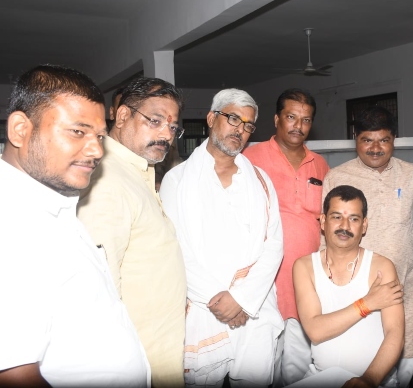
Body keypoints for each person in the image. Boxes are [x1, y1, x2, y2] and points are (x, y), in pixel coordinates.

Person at [0, 64, 149, 387]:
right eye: (77, 132)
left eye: (99, 136)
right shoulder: (11, 225)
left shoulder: (53, 205)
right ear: (20, 130)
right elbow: (15, 375)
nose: (96, 151)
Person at [160, 89, 284, 388]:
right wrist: (220, 301)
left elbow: (274, 245)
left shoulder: (261, 181)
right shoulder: (177, 180)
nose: (240, 130)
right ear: (211, 118)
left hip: (254, 308)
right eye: (233, 119)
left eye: (248, 125)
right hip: (204, 307)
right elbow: (176, 249)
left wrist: (242, 300)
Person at [77, 76, 187, 387]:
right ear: (123, 115)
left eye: (173, 127)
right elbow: (99, 289)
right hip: (136, 361)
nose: (166, 134)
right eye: (155, 121)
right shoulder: (107, 179)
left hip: (159, 351)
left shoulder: (136, 171)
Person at [321, 106, 413, 387]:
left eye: (384, 140)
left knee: (402, 370)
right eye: (367, 140)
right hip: (355, 297)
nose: (376, 148)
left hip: (404, 291)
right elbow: (326, 236)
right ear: (355, 139)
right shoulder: (337, 177)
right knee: (358, 368)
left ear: (394, 139)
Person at [243, 88, 329, 386]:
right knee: (261, 365)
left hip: (306, 279)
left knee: (299, 367)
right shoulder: (250, 159)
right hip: (264, 281)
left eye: (306, 120)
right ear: (277, 119)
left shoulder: (319, 164)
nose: (298, 126)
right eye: (291, 117)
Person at [293, 185, 404, 388]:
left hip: (376, 381)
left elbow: (395, 333)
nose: (344, 226)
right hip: (320, 377)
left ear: (364, 225)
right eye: (337, 217)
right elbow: (315, 331)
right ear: (323, 221)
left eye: (354, 219)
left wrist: (368, 380)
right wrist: (366, 304)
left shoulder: (381, 267)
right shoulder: (304, 267)